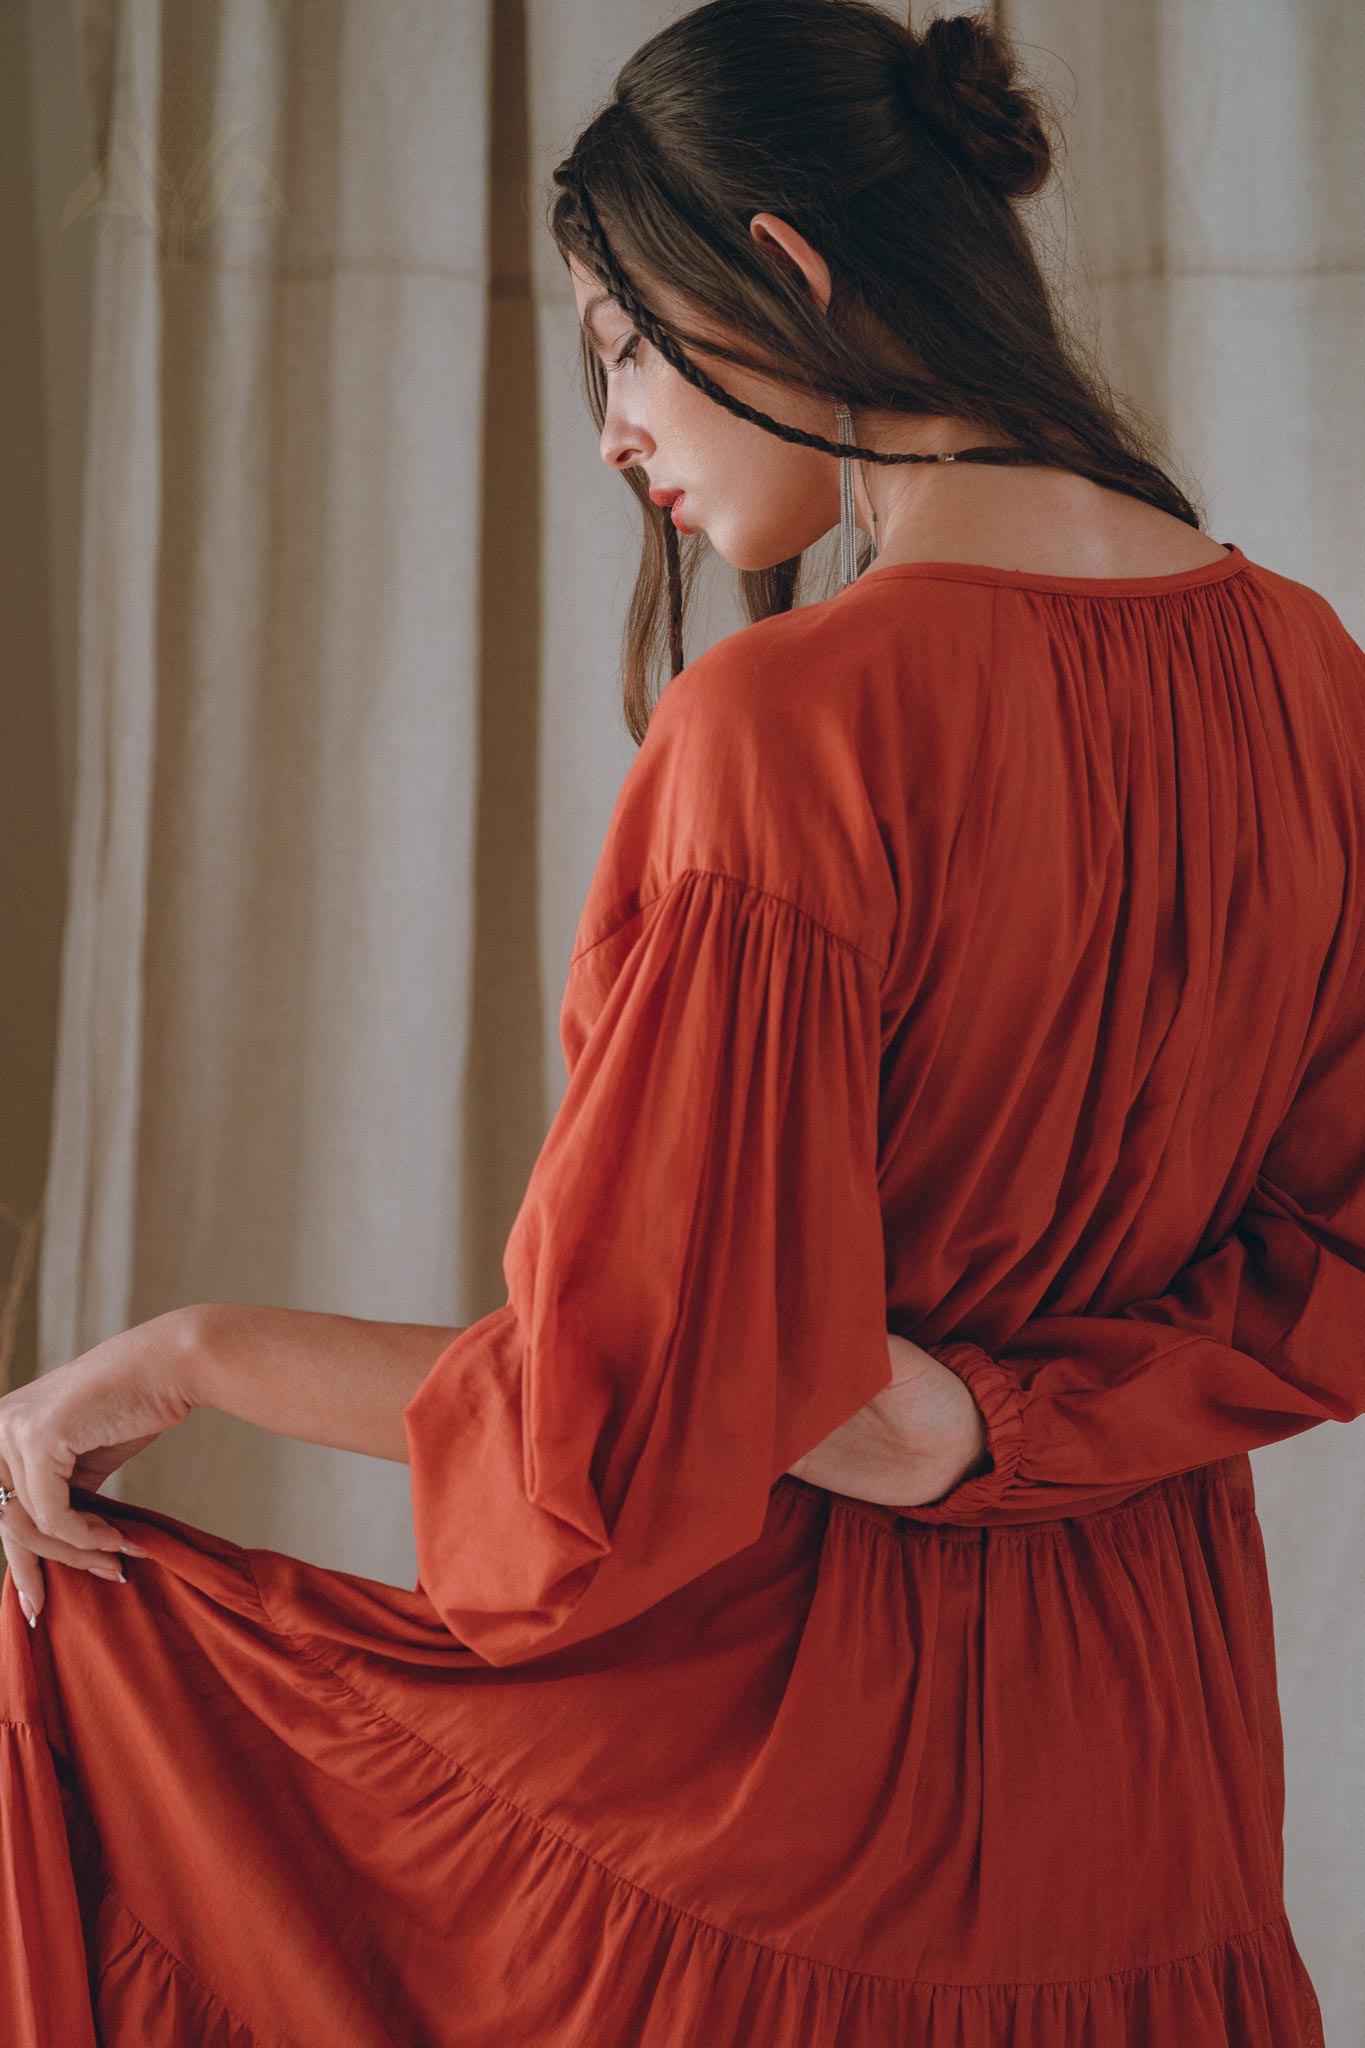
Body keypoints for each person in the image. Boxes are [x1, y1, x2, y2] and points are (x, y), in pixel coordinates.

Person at [0, 2, 1355, 2040]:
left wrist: (180, 1353)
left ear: (786, 271)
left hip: (806, 1811)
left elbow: (609, 1430)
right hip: (1157, 1786)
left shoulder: (790, 726)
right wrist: (1005, 1420)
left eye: (620, 342)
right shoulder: (1308, 677)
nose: (613, 426)